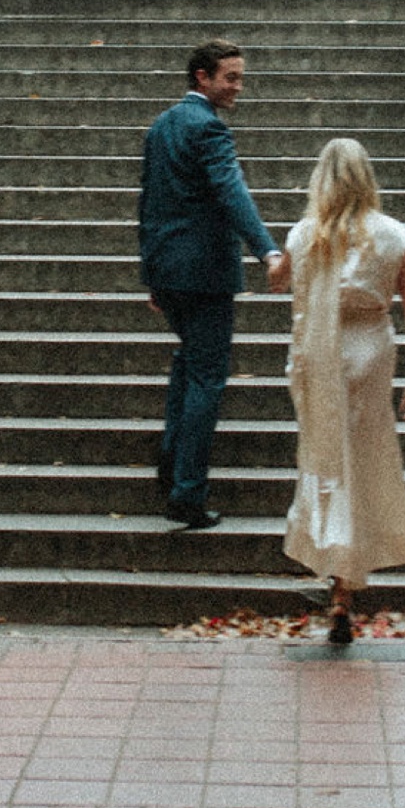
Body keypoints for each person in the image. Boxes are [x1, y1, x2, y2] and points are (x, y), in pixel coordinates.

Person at [269, 137, 405, 643]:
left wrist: (273, 258)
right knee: (365, 457)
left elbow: (279, 283)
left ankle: (335, 573)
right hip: (369, 352)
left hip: (320, 354)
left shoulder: (304, 233)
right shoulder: (393, 233)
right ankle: (347, 586)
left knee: (325, 458)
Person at [138, 38, 283, 529]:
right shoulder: (210, 132)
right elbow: (232, 192)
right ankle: (187, 492)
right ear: (202, 76)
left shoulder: (161, 127)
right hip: (205, 276)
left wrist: (152, 273)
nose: (238, 86)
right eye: (231, 77)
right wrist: (268, 250)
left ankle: (170, 467)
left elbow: (149, 205)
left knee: (188, 368)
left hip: (170, 271)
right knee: (205, 377)